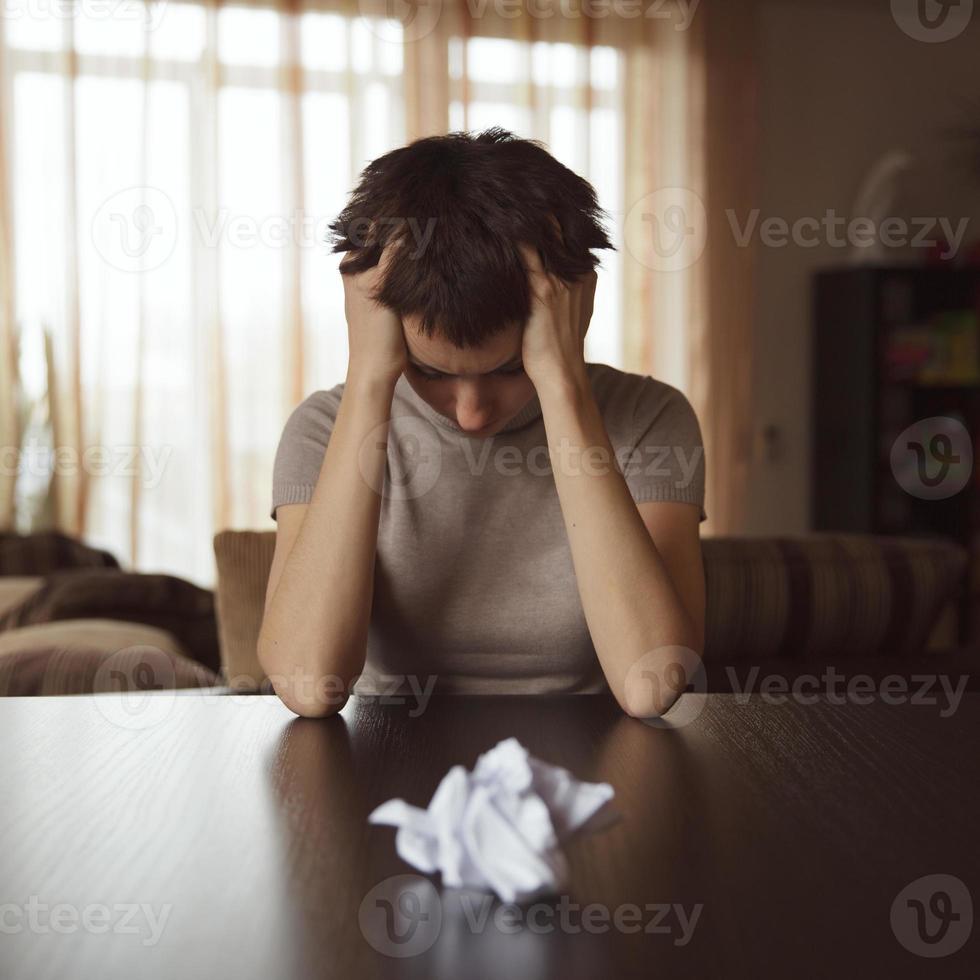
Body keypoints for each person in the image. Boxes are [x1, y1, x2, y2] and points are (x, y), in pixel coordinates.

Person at [258, 127, 706, 719]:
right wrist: (369, 378)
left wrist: (563, 386)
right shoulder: (322, 428)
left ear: (571, 311)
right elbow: (308, 683)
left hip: (594, 770)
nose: (471, 413)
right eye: (432, 373)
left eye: (509, 369)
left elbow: (654, 683)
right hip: (385, 761)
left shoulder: (651, 419)